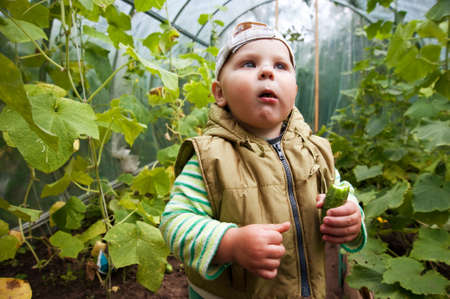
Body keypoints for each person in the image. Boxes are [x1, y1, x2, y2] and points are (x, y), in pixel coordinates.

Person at [160, 21, 366, 299]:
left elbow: (343, 193)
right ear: (219, 93)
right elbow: (175, 222)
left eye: (281, 66)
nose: (267, 71)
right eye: (248, 64)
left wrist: (352, 215)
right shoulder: (210, 159)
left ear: (293, 91)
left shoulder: (315, 150)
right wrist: (230, 244)